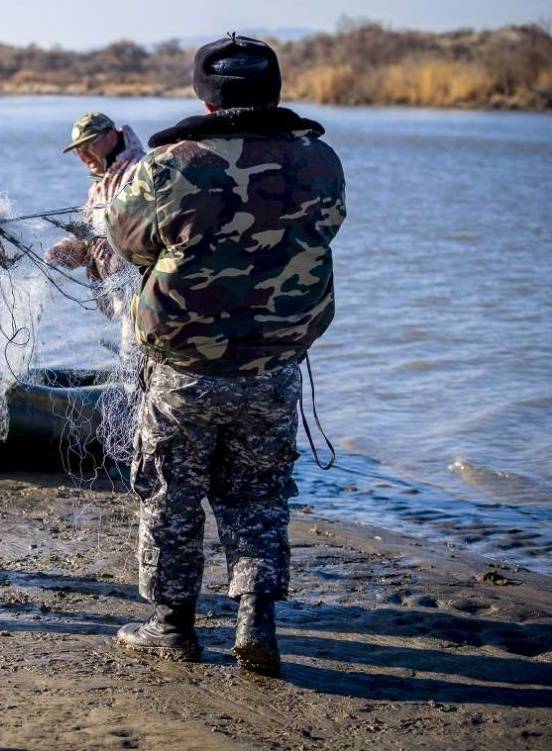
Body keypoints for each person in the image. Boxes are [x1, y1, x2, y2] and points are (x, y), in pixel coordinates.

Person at [104, 34, 346, 674]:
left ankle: (172, 627)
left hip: (184, 369)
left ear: (203, 95)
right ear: (275, 89)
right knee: (260, 491)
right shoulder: (319, 159)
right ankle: (255, 618)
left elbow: (127, 243)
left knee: (170, 491)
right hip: (274, 365)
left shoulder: (167, 165)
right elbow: (326, 227)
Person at [44, 112, 147, 317]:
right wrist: (63, 253)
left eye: (89, 145)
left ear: (110, 136)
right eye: (78, 151)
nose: (84, 156)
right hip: (121, 299)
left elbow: (145, 237)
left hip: (144, 298)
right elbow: (88, 237)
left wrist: (103, 245)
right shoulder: (99, 185)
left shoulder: (141, 171)